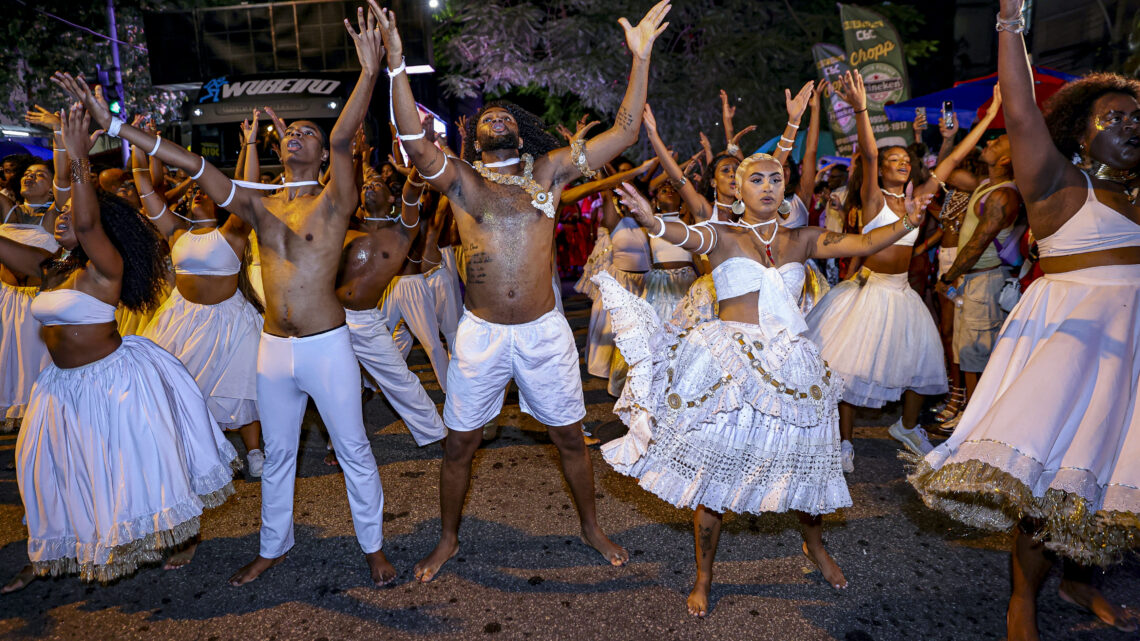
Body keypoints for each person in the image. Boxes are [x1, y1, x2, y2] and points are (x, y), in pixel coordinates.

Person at [53, 4, 396, 587]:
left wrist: (369, 72)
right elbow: (189, 161)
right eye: (295, 132)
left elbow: (343, 140)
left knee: (355, 450)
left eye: (309, 133)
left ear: (321, 154)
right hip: (273, 348)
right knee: (280, 455)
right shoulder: (259, 204)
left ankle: (374, 546)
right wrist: (113, 128)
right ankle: (272, 546)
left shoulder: (334, 201)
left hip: (326, 346)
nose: (302, 137)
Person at [376, 0, 672, 581]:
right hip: (481, 335)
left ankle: (590, 526)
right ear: (472, 135)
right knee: (459, 444)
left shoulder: (549, 172)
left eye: (502, 113)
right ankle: (448, 539)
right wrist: (395, 66)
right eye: (484, 115)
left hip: (543, 331)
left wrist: (639, 59)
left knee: (568, 437)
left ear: (518, 128)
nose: (495, 117)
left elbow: (626, 131)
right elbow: (413, 139)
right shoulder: (459, 180)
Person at [592, 151, 931, 616]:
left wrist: (905, 222)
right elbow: (682, 234)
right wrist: (650, 219)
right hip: (730, 366)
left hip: (792, 368)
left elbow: (864, 244)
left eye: (776, 178)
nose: (768, 186)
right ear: (738, 189)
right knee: (716, 478)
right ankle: (705, 576)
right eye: (757, 179)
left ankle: (814, 545)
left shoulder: (802, 239)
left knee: (806, 467)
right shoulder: (721, 234)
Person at [910, 1, 1140, 638]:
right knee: (1052, 480)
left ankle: (1078, 580)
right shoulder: (1058, 185)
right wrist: (1010, 23)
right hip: (1073, 351)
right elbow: (1019, 110)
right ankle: (1023, 600)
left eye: (1136, 116)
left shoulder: (1137, 194)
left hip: (1132, 351)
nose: (1129, 124)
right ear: (1080, 133)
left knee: (1110, 476)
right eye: (1113, 116)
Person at [1, 102, 238, 591]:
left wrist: (79, 158)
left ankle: (178, 537)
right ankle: (54, 548)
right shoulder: (51, 269)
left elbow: (88, 224)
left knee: (137, 467)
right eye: (61, 215)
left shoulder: (103, 266)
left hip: (114, 382)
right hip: (59, 388)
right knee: (52, 471)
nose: (66, 218)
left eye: (73, 213)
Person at [804, 70, 952, 471]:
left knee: (920, 363)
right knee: (852, 371)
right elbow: (868, 154)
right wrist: (862, 110)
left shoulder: (918, 200)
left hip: (902, 292)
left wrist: (977, 125)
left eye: (906, 160)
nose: (901, 164)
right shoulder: (872, 199)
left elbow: (946, 165)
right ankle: (844, 442)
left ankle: (906, 427)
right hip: (868, 292)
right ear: (882, 170)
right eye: (894, 160)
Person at [338, 170, 447, 448]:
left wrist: (418, 166)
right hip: (332, 318)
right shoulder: (347, 226)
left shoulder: (402, 230)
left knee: (400, 378)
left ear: (391, 198)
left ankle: (436, 433)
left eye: (377, 184)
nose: (369, 186)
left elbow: (412, 195)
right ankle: (338, 444)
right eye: (365, 185)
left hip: (366, 320)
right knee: (337, 385)